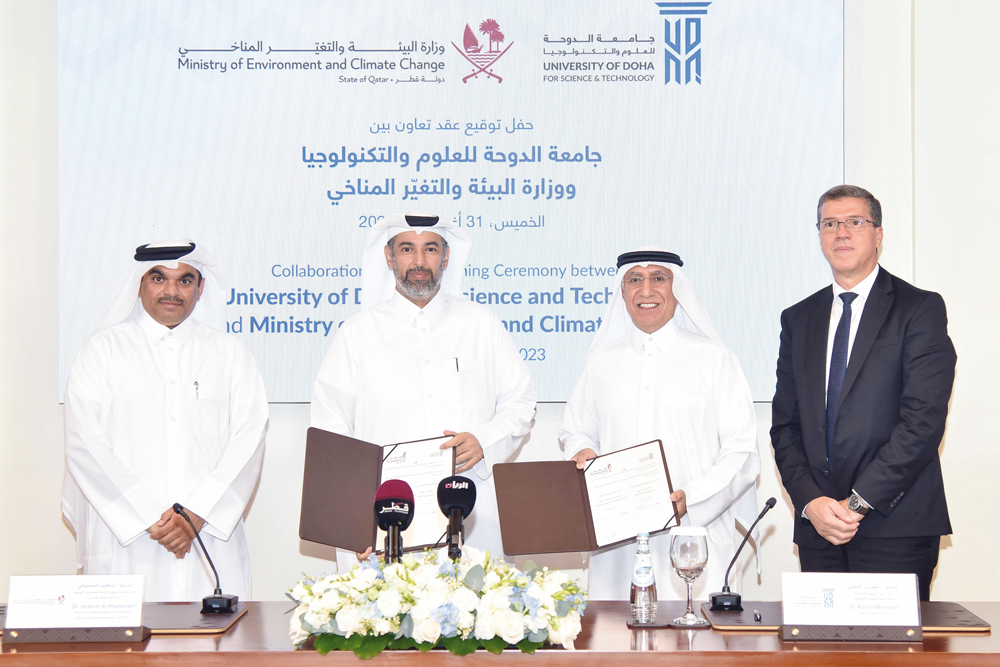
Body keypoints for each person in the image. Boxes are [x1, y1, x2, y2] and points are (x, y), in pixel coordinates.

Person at [311, 212, 536, 569]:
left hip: (469, 508)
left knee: (476, 616)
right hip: (386, 514)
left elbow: (520, 402)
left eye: (430, 248)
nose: (419, 261)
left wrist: (485, 439)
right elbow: (332, 429)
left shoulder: (481, 324)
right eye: (406, 249)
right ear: (389, 257)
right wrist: (352, 520)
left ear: (446, 256)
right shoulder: (357, 333)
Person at [771, 185, 956, 601]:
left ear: (878, 233)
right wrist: (811, 502)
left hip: (895, 525)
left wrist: (856, 504)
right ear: (818, 235)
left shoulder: (919, 309)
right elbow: (785, 426)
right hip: (820, 528)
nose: (842, 233)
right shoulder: (798, 318)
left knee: (892, 661)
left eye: (855, 222)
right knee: (823, 660)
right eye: (830, 224)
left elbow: (922, 422)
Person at [62, 241, 268, 601]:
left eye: (185, 281)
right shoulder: (102, 350)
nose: (172, 291)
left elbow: (249, 441)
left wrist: (197, 514)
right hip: (127, 540)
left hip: (208, 540)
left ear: (200, 289)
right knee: (124, 653)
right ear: (140, 284)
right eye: (159, 278)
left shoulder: (230, 353)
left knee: (218, 651)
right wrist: (149, 517)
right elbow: (84, 443)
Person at [560, 247, 760, 601]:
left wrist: (691, 499)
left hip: (696, 539)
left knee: (698, 650)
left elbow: (742, 454)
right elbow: (575, 430)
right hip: (617, 546)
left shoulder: (715, 360)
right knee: (616, 646)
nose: (646, 290)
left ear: (677, 288)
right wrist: (583, 451)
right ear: (622, 292)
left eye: (658, 278)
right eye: (635, 280)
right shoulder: (601, 362)